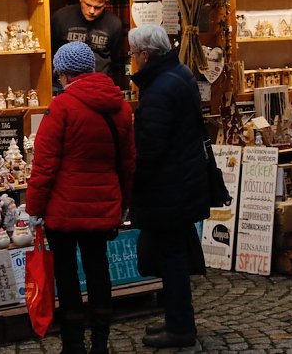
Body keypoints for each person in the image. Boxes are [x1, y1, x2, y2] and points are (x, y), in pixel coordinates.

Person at [26, 42, 135, 354]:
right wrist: (123, 202)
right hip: (103, 206)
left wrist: (34, 208)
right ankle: (100, 342)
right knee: (99, 268)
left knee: (67, 273)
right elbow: (128, 163)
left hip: (64, 209)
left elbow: (44, 166)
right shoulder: (121, 107)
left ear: (64, 74)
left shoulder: (61, 108)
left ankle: (73, 345)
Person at [127, 24, 209, 349]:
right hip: (182, 178)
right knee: (173, 254)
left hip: (168, 184)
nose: (132, 60)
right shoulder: (179, 74)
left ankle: (180, 328)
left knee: (172, 257)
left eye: (134, 54)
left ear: (145, 55)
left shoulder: (160, 89)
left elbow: (151, 147)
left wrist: (136, 179)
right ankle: (178, 320)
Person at [50, 0, 122, 92]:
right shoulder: (60, 18)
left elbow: (116, 60)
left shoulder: (114, 24)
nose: (92, 11)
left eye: (98, 7)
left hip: (98, 87)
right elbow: (50, 52)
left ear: (105, 4)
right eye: (88, 4)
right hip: (62, 86)